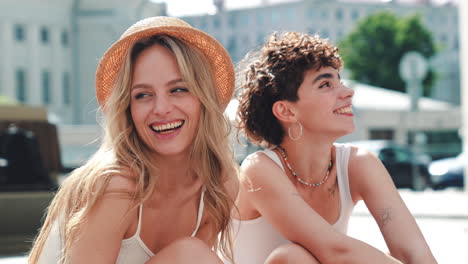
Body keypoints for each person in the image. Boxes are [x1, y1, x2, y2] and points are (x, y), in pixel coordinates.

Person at [28, 16, 238, 264]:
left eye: (178, 89)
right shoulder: (114, 185)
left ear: (204, 98)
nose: (161, 108)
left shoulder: (218, 185)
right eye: (142, 95)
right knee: (191, 255)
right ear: (127, 108)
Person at [232, 32, 437, 264]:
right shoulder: (259, 169)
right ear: (286, 111)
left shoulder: (358, 163)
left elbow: (414, 252)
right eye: (326, 84)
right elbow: (335, 251)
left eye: (340, 81)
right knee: (292, 257)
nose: (348, 92)